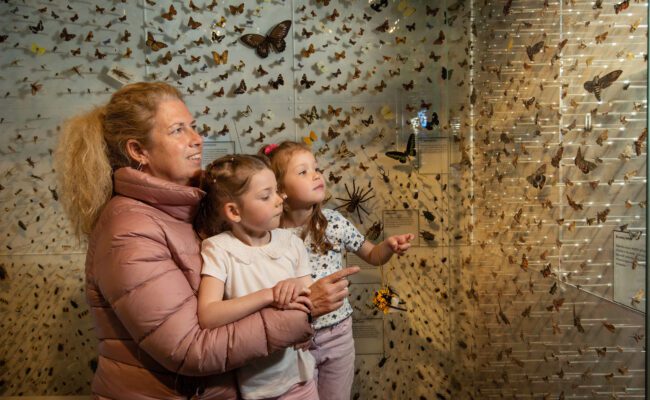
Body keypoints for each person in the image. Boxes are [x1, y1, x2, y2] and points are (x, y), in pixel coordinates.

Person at [54, 82, 359, 399]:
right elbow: (189, 348)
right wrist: (302, 314)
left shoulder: (187, 208)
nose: (196, 139)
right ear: (138, 151)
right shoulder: (128, 231)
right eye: (177, 131)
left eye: (193, 127)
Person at [263, 141, 414, 400]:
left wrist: (388, 246)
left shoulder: (333, 222)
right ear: (281, 190)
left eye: (316, 168)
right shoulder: (270, 234)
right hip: (296, 340)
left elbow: (373, 255)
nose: (316, 174)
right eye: (303, 172)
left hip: (339, 335)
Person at [194, 154, 317, 399]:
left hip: (302, 380)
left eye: (277, 191)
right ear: (234, 211)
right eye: (265, 195)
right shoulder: (219, 250)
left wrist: (305, 311)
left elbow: (312, 299)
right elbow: (208, 314)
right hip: (257, 388)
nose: (279, 200)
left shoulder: (292, 244)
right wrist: (268, 295)